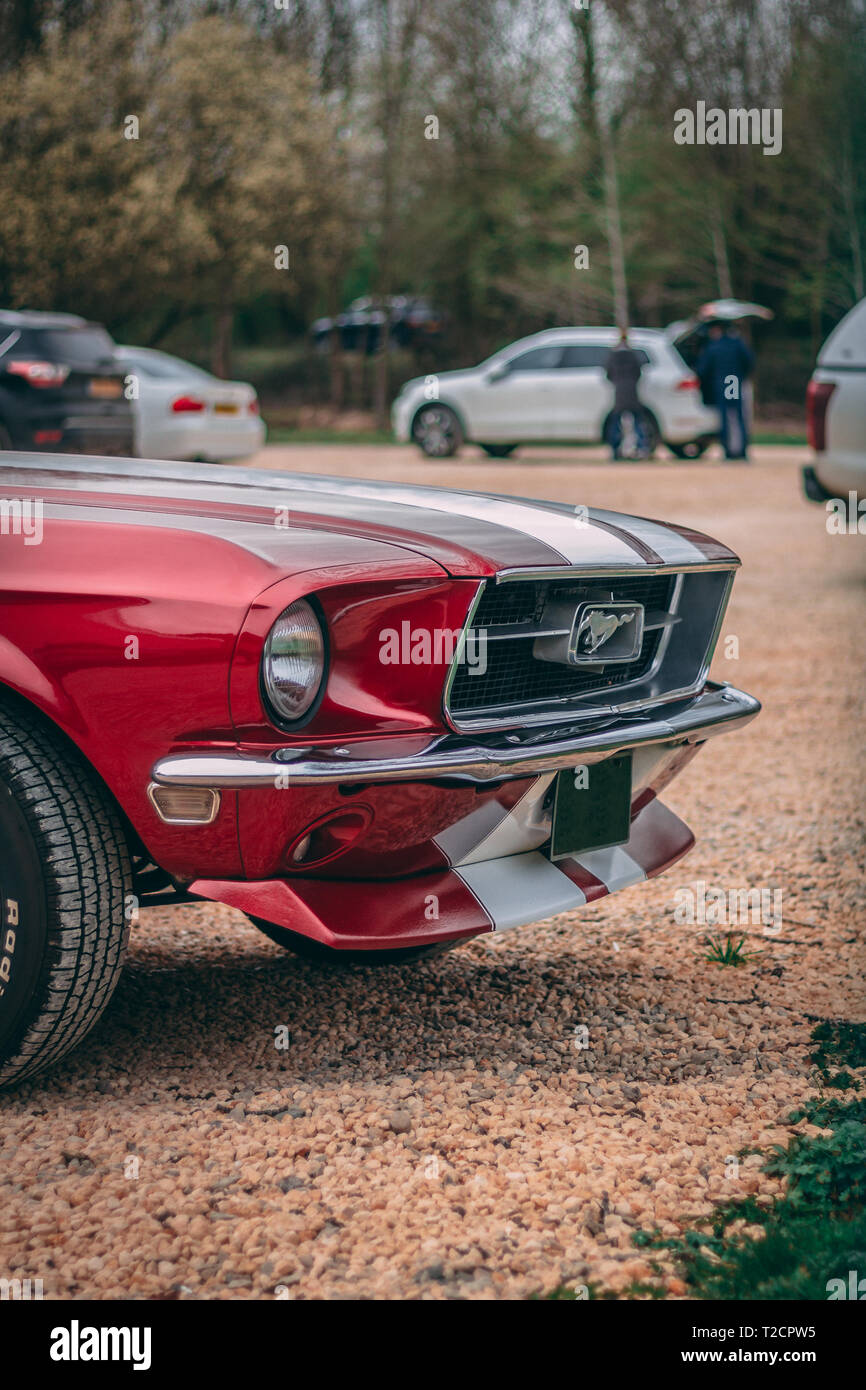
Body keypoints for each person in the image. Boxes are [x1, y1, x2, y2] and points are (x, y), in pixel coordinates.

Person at [696, 322, 755, 460]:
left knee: (728, 416)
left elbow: (703, 369)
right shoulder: (737, 343)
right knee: (736, 416)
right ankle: (741, 449)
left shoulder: (714, 346)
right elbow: (749, 361)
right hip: (733, 381)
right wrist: (741, 376)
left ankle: (731, 450)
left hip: (725, 383)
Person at [605, 330, 648, 460]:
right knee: (638, 421)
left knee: (615, 423)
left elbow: (608, 374)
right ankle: (642, 448)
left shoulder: (613, 356)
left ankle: (615, 449)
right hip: (632, 392)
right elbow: (638, 373)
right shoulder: (633, 355)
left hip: (619, 393)